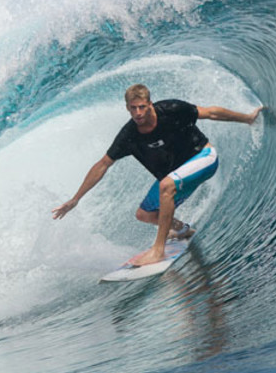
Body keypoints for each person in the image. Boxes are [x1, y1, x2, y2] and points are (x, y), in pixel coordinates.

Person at [52, 84, 263, 266]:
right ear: (127, 108)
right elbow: (103, 164)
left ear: (150, 104)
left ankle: (158, 250)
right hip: (178, 175)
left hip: (203, 157)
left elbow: (211, 113)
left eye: (142, 107)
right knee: (144, 214)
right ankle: (181, 230)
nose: (138, 113)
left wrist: (247, 118)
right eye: (133, 108)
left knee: (166, 186)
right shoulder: (129, 136)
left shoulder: (170, 109)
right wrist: (75, 199)